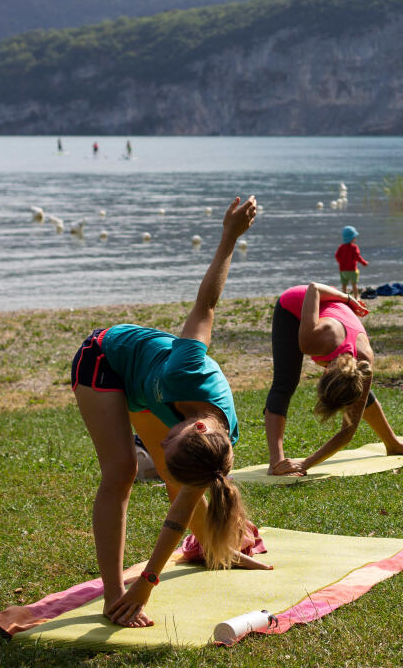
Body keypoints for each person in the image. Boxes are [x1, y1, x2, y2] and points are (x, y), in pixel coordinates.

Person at [71, 196, 271, 629]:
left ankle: (216, 548)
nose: (160, 439)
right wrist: (229, 237)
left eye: (168, 439)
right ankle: (112, 595)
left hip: (146, 390)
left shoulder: (214, 449)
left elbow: (179, 510)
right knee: (122, 471)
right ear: (196, 425)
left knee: (173, 476)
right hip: (104, 358)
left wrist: (150, 580)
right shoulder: (189, 370)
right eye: (171, 437)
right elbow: (207, 304)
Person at [264, 283, 403, 476]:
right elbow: (314, 288)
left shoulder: (364, 362)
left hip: (336, 317)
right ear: (325, 372)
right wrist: (348, 298)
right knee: (285, 383)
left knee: (356, 392)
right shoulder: (311, 341)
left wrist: (305, 464)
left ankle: (393, 444)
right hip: (294, 304)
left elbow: (348, 431)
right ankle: (276, 461)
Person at [335, 225, 368, 300]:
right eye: (354, 237)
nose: (355, 239)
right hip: (352, 270)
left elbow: (337, 256)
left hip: (342, 270)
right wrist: (364, 262)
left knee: (344, 285)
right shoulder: (354, 247)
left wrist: (341, 262)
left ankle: (344, 298)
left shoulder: (341, 247)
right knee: (354, 285)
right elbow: (357, 257)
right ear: (352, 238)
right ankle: (356, 297)